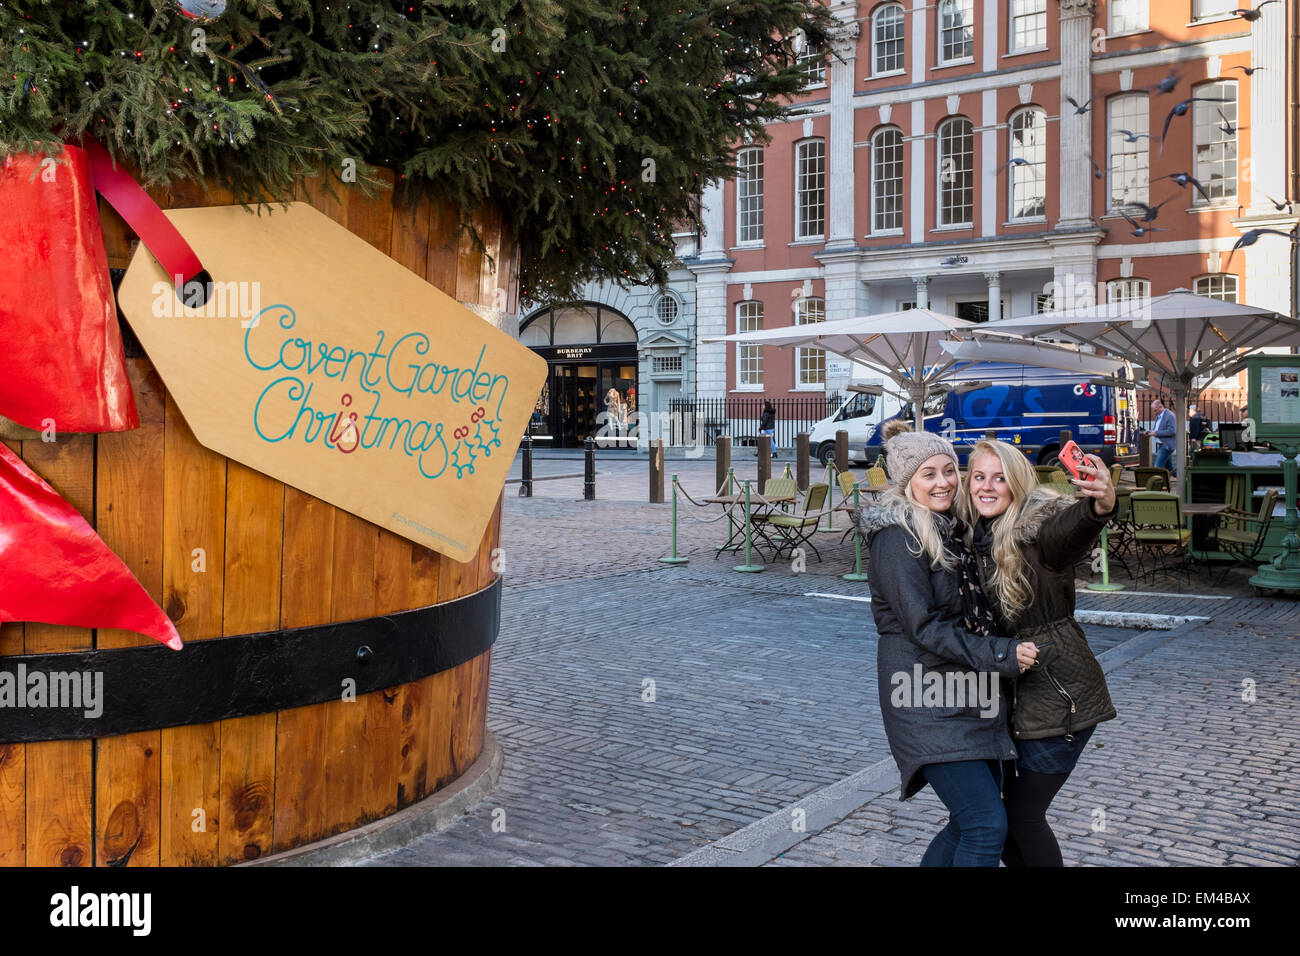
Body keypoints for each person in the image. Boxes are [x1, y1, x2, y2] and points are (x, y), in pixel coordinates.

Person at [855, 427, 1037, 866]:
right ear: (906, 483)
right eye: (928, 474)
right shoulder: (899, 538)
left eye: (949, 470)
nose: (943, 482)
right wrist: (1001, 654)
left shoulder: (950, 530)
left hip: (966, 694)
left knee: (969, 821)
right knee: (985, 824)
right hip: (924, 697)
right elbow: (924, 628)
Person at [965, 440, 1118, 867]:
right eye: (979, 477)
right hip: (1017, 698)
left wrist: (1100, 504)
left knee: (1021, 815)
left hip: (1059, 692)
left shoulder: (1037, 534)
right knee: (1004, 819)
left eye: (1000, 478)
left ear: (1017, 484)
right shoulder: (972, 534)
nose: (988, 487)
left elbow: (1073, 527)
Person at [1146, 397, 1177, 474]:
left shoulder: (1170, 415)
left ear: (1160, 407)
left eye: (1155, 410)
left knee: (1157, 467)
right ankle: (1183, 477)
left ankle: (1156, 484)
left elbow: (1172, 431)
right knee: (1169, 468)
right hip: (1161, 445)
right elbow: (1156, 429)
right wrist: (1149, 432)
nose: (1154, 412)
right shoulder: (1159, 416)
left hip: (1166, 446)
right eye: (1153, 411)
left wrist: (1155, 433)